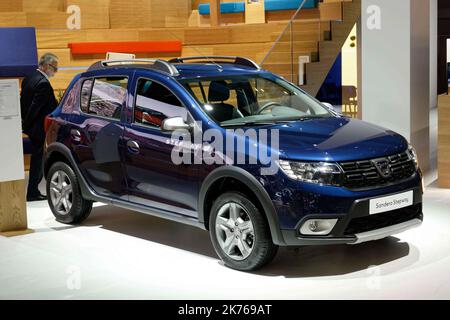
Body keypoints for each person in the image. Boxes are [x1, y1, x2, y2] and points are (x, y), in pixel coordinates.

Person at [21, 53, 59, 201]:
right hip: (39, 129)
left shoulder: (29, 78)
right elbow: (34, 108)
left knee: (38, 160)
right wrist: (27, 124)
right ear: (46, 66)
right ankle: (32, 192)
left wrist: (25, 125)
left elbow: (24, 104)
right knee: (38, 161)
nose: (55, 72)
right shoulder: (43, 83)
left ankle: (33, 190)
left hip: (32, 127)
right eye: (54, 68)